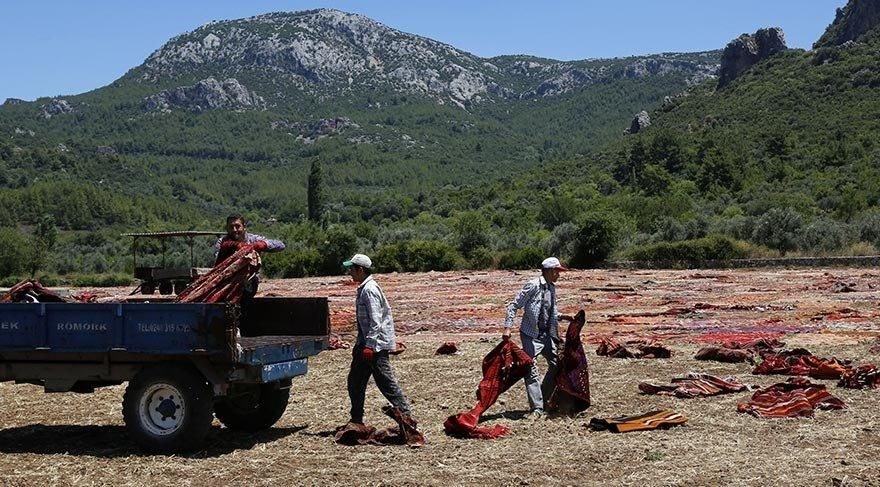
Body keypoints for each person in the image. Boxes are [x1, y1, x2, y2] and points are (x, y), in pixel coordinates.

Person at [343, 253, 422, 442]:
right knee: (355, 383)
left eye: (352, 269)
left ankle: (408, 420)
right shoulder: (364, 288)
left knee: (387, 384)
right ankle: (356, 420)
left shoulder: (369, 290)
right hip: (365, 345)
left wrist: (370, 345)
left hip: (374, 348)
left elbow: (376, 321)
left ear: (360, 270)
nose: (349, 272)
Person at [503, 256, 573, 418]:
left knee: (556, 364)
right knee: (531, 369)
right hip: (531, 335)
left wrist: (565, 317)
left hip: (547, 335)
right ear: (549, 271)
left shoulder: (552, 288)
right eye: (557, 271)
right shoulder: (533, 286)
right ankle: (537, 408)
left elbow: (551, 313)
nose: (559, 275)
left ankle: (542, 397)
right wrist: (507, 328)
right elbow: (513, 306)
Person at [212, 214, 285, 298]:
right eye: (231, 227)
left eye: (237, 226)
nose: (234, 230)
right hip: (226, 280)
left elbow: (281, 245)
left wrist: (263, 245)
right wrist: (232, 246)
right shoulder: (222, 242)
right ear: (227, 228)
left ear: (244, 226)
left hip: (249, 281)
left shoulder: (253, 239)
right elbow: (217, 259)